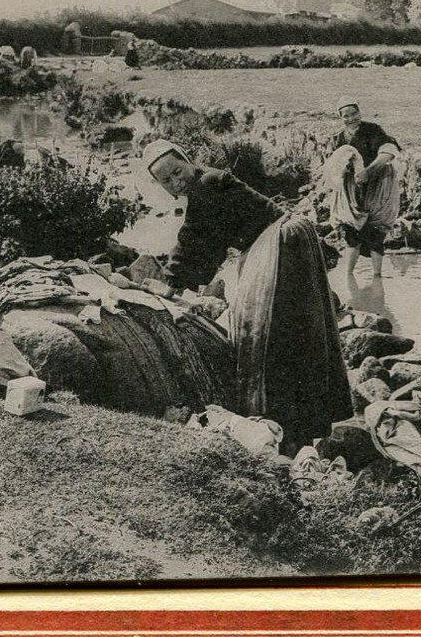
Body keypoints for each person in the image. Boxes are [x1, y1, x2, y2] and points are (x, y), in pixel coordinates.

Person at [143, 140, 352, 454]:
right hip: (281, 244)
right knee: (298, 339)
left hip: (281, 247)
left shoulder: (207, 183)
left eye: (177, 171)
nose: (176, 181)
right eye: (167, 180)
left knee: (271, 339)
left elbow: (193, 237)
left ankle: (290, 429)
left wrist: (171, 285)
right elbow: (209, 241)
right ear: (160, 186)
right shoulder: (204, 187)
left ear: (188, 161)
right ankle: (299, 429)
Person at [331, 98, 402, 278]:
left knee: (376, 230)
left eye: (354, 113)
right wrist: (345, 168)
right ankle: (349, 276)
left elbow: (389, 151)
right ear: (340, 117)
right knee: (351, 232)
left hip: (377, 185)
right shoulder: (338, 139)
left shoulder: (373, 130)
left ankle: (377, 276)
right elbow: (333, 164)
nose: (351, 118)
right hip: (351, 188)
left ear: (360, 112)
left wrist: (368, 172)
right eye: (346, 116)